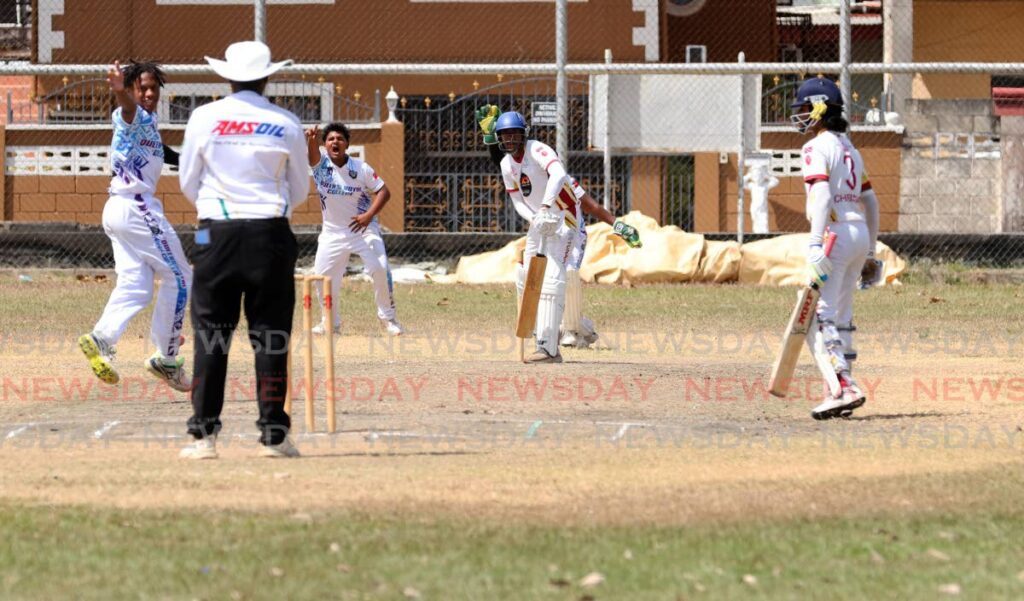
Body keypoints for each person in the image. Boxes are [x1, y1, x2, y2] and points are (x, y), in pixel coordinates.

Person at [177, 41, 309, 459]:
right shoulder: (285, 121)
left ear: (227, 76)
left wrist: (214, 214)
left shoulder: (204, 117)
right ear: (268, 76)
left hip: (215, 234)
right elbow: (301, 187)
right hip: (270, 233)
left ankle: (203, 437)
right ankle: (274, 436)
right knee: (271, 338)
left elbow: (187, 180)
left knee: (210, 336)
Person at [476, 105, 642, 350]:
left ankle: (575, 330)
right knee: (532, 274)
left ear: (524, 134)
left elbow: (591, 206)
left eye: (514, 134)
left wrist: (618, 225)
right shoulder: (507, 165)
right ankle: (563, 328)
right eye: (504, 135)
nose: (510, 140)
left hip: (569, 225)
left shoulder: (545, 158)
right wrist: (536, 219)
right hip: (541, 224)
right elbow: (517, 201)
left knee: (566, 274)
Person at [78, 60, 192, 393]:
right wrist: (120, 93)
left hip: (118, 209)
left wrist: (194, 161)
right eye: (141, 87)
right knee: (181, 276)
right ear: (130, 90)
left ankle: (101, 338)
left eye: (153, 87)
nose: (148, 93)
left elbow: (163, 152)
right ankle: (167, 356)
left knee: (137, 286)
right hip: (136, 206)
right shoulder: (131, 114)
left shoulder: (150, 124)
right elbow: (126, 111)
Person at [791, 77, 881, 420]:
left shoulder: (815, 147)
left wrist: (815, 243)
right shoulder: (851, 149)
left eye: (803, 108)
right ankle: (838, 389)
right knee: (841, 317)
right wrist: (871, 251)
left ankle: (843, 387)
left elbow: (823, 195)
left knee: (816, 316)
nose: (799, 115)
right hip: (857, 232)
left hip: (834, 235)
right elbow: (870, 202)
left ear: (817, 109)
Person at [305, 123, 403, 336]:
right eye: (330, 139)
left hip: (362, 229)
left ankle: (387, 318)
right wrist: (312, 139)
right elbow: (312, 156)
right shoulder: (320, 165)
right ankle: (330, 322)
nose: (335, 142)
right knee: (322, 277)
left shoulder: (361, 168)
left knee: (380, 268)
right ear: (325, 145)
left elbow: (384, 192)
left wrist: (368, 216)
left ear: (347, 144)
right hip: (333, 232)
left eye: (340, 139)